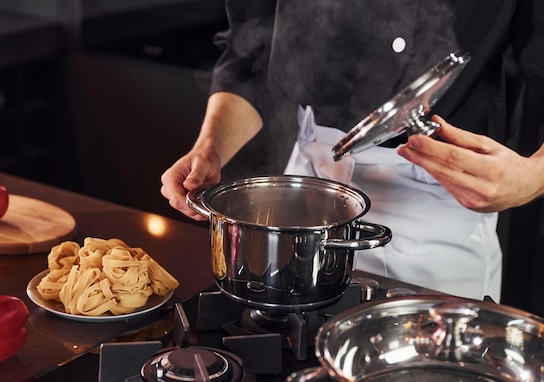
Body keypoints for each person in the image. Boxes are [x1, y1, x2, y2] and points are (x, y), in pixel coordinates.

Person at [160, 1, 544, 302]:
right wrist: (209, 149)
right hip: (310, 192)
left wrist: (531, 176)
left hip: (442, 207)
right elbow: (250, 52)